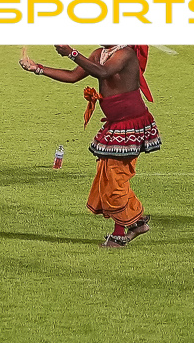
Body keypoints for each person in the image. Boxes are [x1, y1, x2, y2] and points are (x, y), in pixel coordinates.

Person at [21, 43, 160, 247]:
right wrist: (38, 68)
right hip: (116, 125)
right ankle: (135, 223)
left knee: (115, 179)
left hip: (130, 126)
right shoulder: (99, 53)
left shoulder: (125, 54)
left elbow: (103, 72)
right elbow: (73, 76)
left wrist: (71, 53)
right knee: (109, 178)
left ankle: (121, 233)